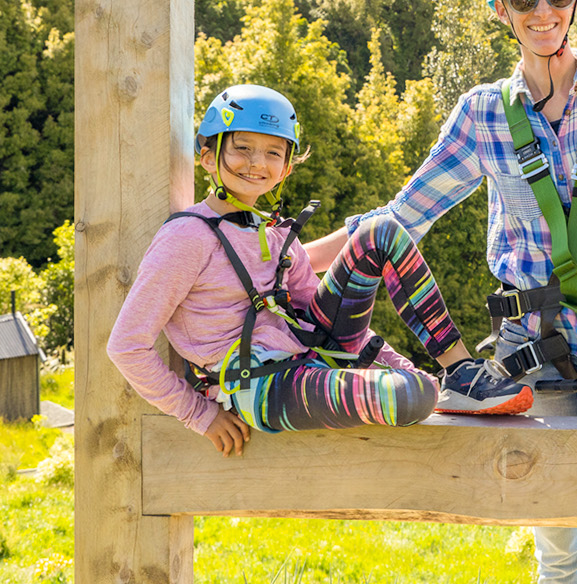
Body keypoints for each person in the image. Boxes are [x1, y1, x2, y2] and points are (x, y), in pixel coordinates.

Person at [342, 0, 577, 584]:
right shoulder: (483, 116)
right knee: (554, 525)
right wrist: (290, 259)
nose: (544, 12)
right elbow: (403, 217)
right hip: (538, 342)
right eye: (525, 0)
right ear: (502, 11)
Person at [107, 85, 477, 456]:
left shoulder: (278, 231)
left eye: (272, 152)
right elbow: (127, 346)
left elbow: (315, 315)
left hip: (308, 356)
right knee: (415, 396)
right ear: (208, 156)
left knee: (382, 232)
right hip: (258, 387)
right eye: (242, 147)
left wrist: (395, 365)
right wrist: (198, 414)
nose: (256, 163)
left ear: (285, 168)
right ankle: (413, 387)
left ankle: (460, 371)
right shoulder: (187, 237)